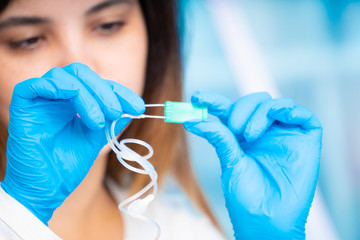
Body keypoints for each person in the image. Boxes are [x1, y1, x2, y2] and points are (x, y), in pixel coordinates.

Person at [0, 0, 323, 239]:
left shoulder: (181, 232)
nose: (80, 66)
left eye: (109, 24)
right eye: (26, 39)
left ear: (154, 41)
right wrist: (19, 214)